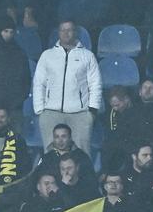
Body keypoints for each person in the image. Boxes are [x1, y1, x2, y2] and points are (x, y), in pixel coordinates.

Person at [32, 19, 103, 152]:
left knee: (81, 154)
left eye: (69, 30)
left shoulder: (87, 56)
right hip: (51, 112)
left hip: (80, 114)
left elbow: (95, 84)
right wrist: (40, 110)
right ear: (58, 33)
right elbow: (39, 83)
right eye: (63, 30)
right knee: (52, 154)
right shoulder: (47, 56)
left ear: (75, 32)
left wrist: (92, 111)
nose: (66, 33)